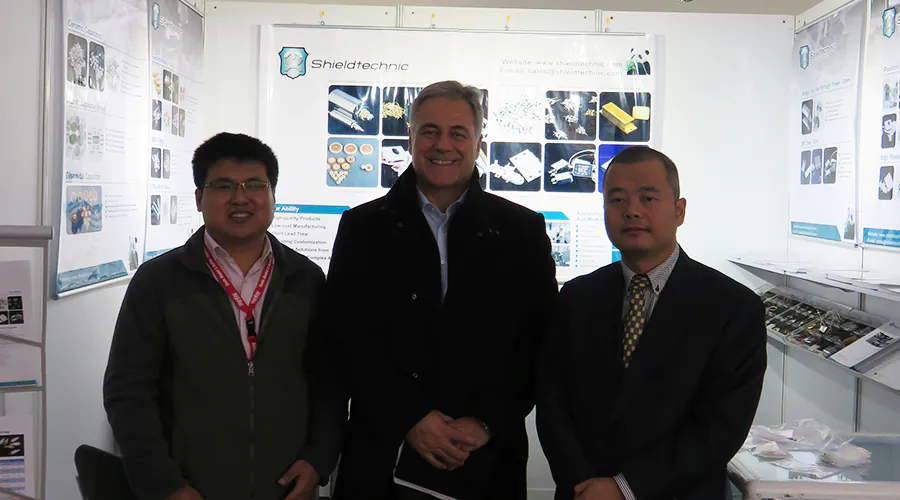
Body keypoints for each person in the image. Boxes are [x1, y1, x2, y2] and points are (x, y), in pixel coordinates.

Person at [313, 80, 558, 499]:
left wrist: (485, 422)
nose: (443, 144)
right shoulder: (363, 228)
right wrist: (410, 417)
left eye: (458, 133)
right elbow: (344, 338)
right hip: (382, 456)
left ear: (479, 142)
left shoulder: (522, 231)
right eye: (429, 131)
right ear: (410, 138)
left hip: (484, 458)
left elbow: (541, 343)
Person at [103, 133, 329, 500]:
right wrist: (165, 485)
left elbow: (328, 382)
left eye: (254, 185)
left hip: (287, 487)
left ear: (273, 195)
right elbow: (127, 392)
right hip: (191, 489)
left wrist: (318, 459)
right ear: (198, 198)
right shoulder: (159, 281)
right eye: (223, 186)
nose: (240, 197)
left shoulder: (306, 279)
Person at [536, 146, 767, 500]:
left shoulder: (733, 308)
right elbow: (553, 403)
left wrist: (624, 489)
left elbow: (720, 427)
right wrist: (585, 484)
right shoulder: (577, 297)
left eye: (648, 198)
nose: (632, 211)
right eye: (617, 200)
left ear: (679, 210)